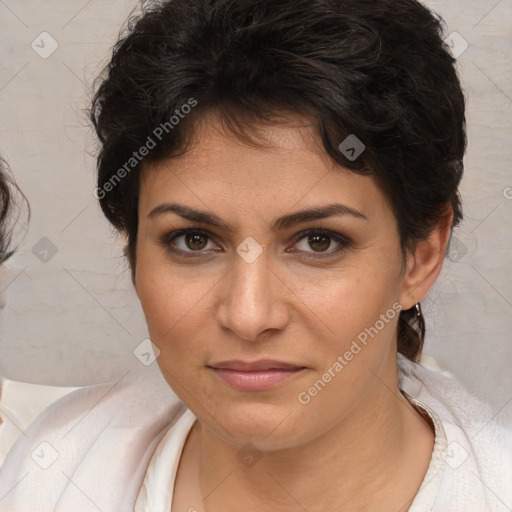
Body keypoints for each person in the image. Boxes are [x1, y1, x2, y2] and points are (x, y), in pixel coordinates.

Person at [0, 0, 511, 510]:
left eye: (318, 241)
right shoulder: (47, 476)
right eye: (194, 240)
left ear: (421, 255)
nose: (248, 316)